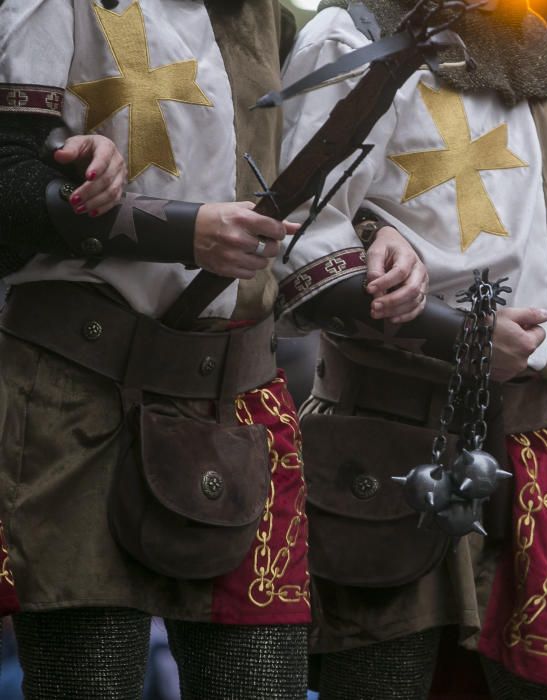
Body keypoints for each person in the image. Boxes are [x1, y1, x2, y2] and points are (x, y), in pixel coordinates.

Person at [274, 0, 547, 697]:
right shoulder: (348, 38)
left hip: (535, 453)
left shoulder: (536, 46)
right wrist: (460, 334)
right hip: (392, 448)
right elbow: (296, 253)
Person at [0, 1, 314, 696]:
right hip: (78, 397)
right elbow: (5, 184)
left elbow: (335, 199)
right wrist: (153, 220)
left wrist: (382, 242)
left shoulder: (275, 21)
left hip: (239, 402)